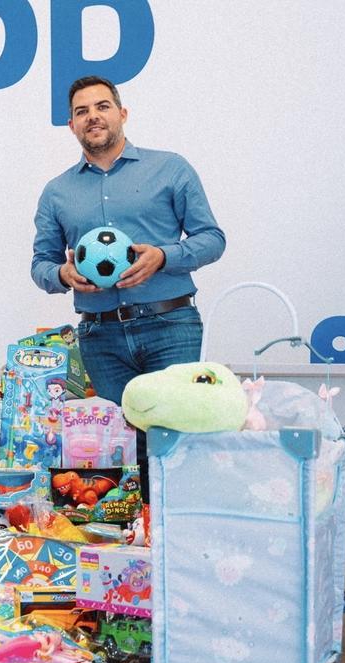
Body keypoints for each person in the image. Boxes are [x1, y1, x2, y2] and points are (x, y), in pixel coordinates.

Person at [31, 75, 226, 500]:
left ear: (122, 114)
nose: (93, 117)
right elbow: (41, 264)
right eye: (82, 111)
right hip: (101, 338)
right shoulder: (57, 192)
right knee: (122, 451)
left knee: (177, 442)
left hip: (171, 324)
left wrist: (164, 256)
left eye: (102, 106)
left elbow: (212, 238)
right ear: (71, 125)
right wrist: (62, 275)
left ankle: (180, 550)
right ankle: (131, 550)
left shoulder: (170, 168)